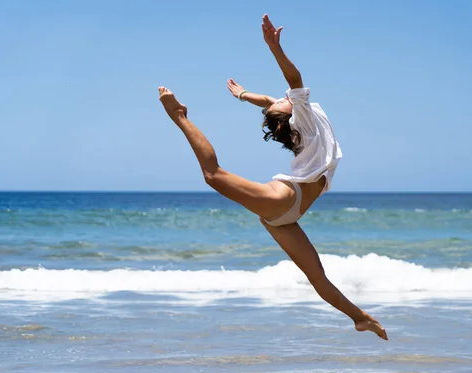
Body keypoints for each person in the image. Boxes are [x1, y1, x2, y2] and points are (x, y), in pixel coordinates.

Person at [158, 14, 387, 340]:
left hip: (284, 214)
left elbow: (268, 102)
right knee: (213, 175)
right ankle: (180, 116)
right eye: (284, 101)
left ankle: (360, 317)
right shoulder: (304, 115)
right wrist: (275, 48)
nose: (280, 98)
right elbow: (292, 78)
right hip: (286, 202)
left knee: (318, 278)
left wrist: (243, 95)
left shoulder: (299, 116)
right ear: (292, 111)